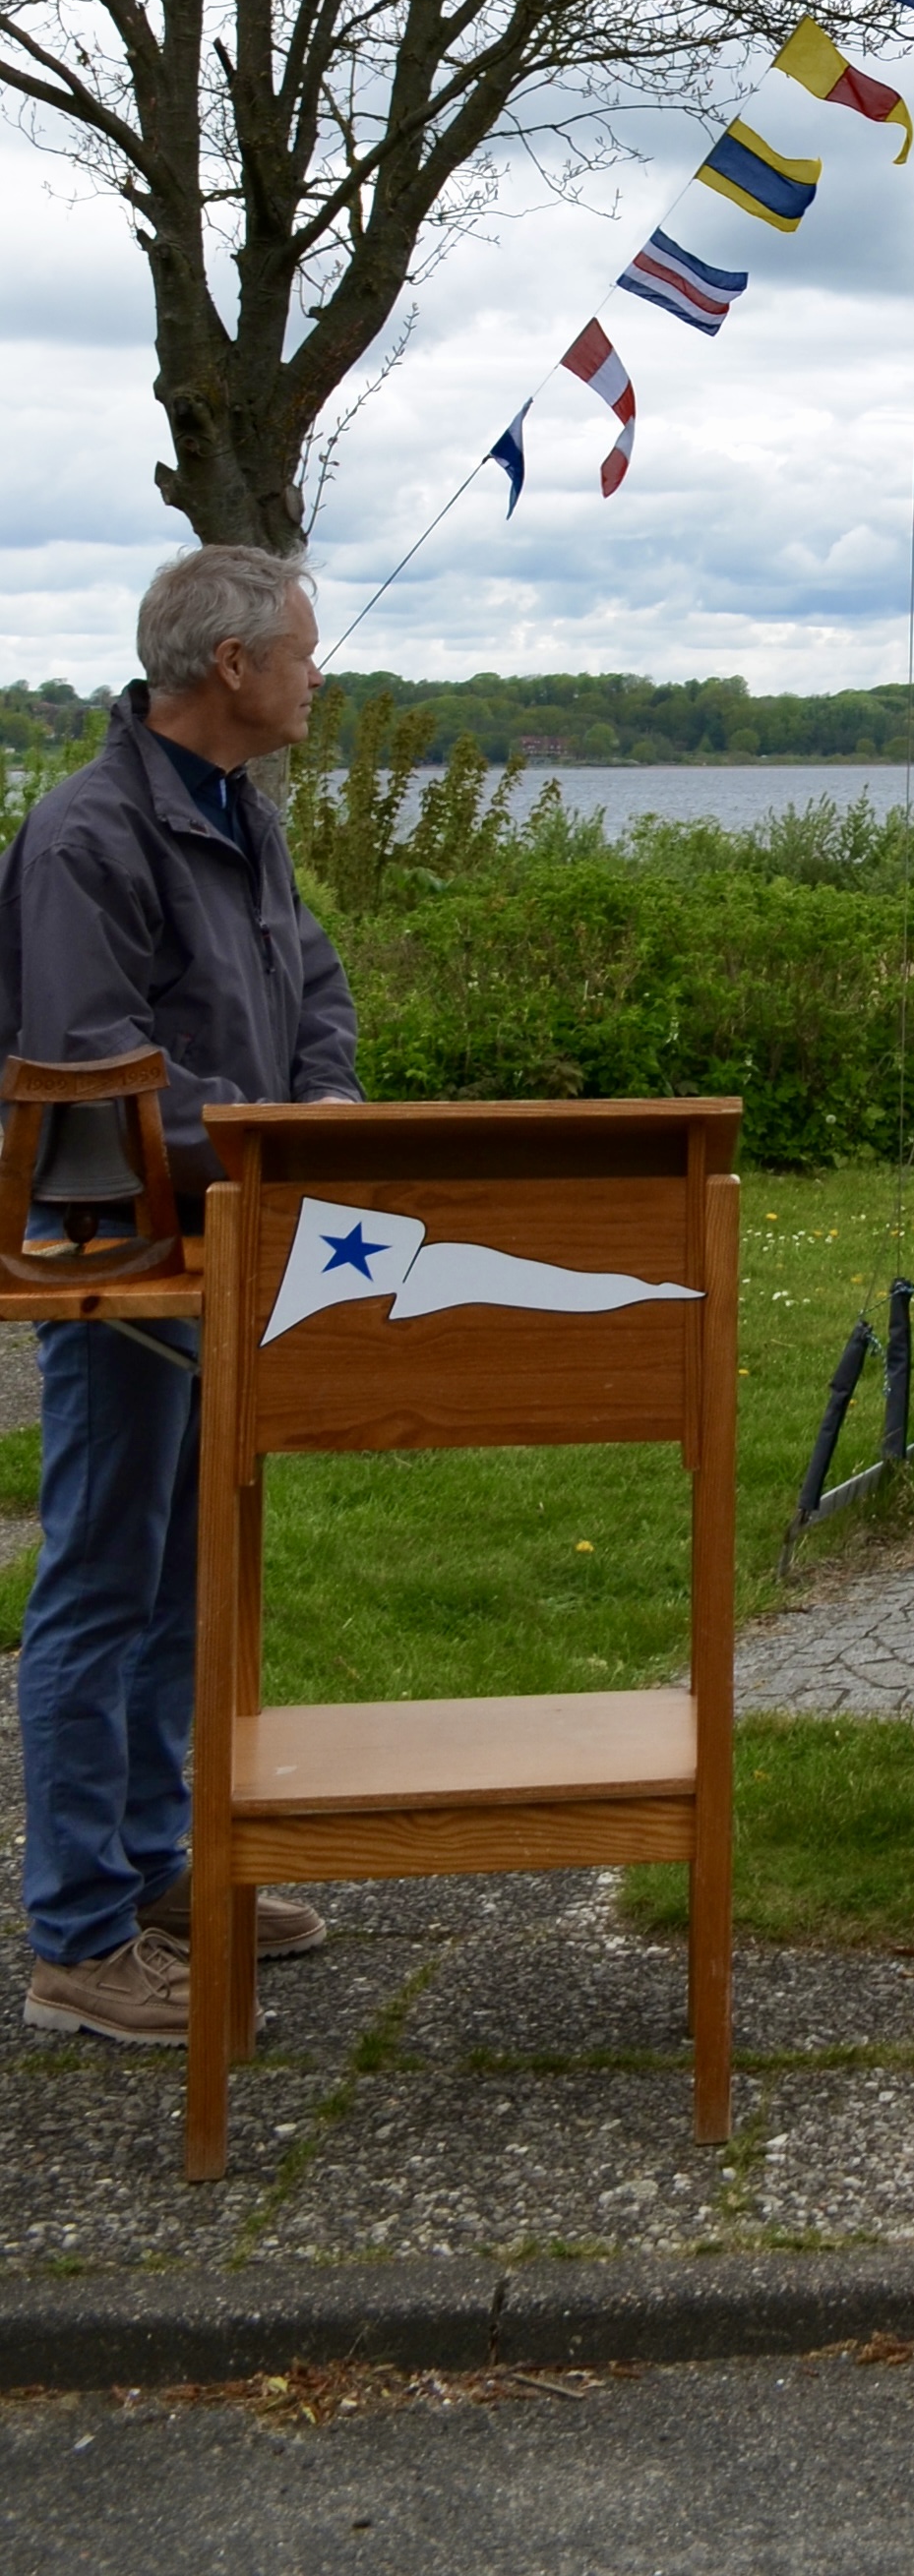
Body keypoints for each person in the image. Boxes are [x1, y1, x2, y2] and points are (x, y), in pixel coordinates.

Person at [3, 549, 358, 2048]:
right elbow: (90, 1062)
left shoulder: (241, 812)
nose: (317, 676)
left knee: (182, 1575)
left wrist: (324, 1106)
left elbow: (315, 982)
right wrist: (272, 1140)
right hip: (119, 1263)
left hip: (225, 1239)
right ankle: (77, 1938)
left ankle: (155, 1871)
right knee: (103, 1579)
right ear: (231, 667)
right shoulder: (87, 836)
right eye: (302, 652)